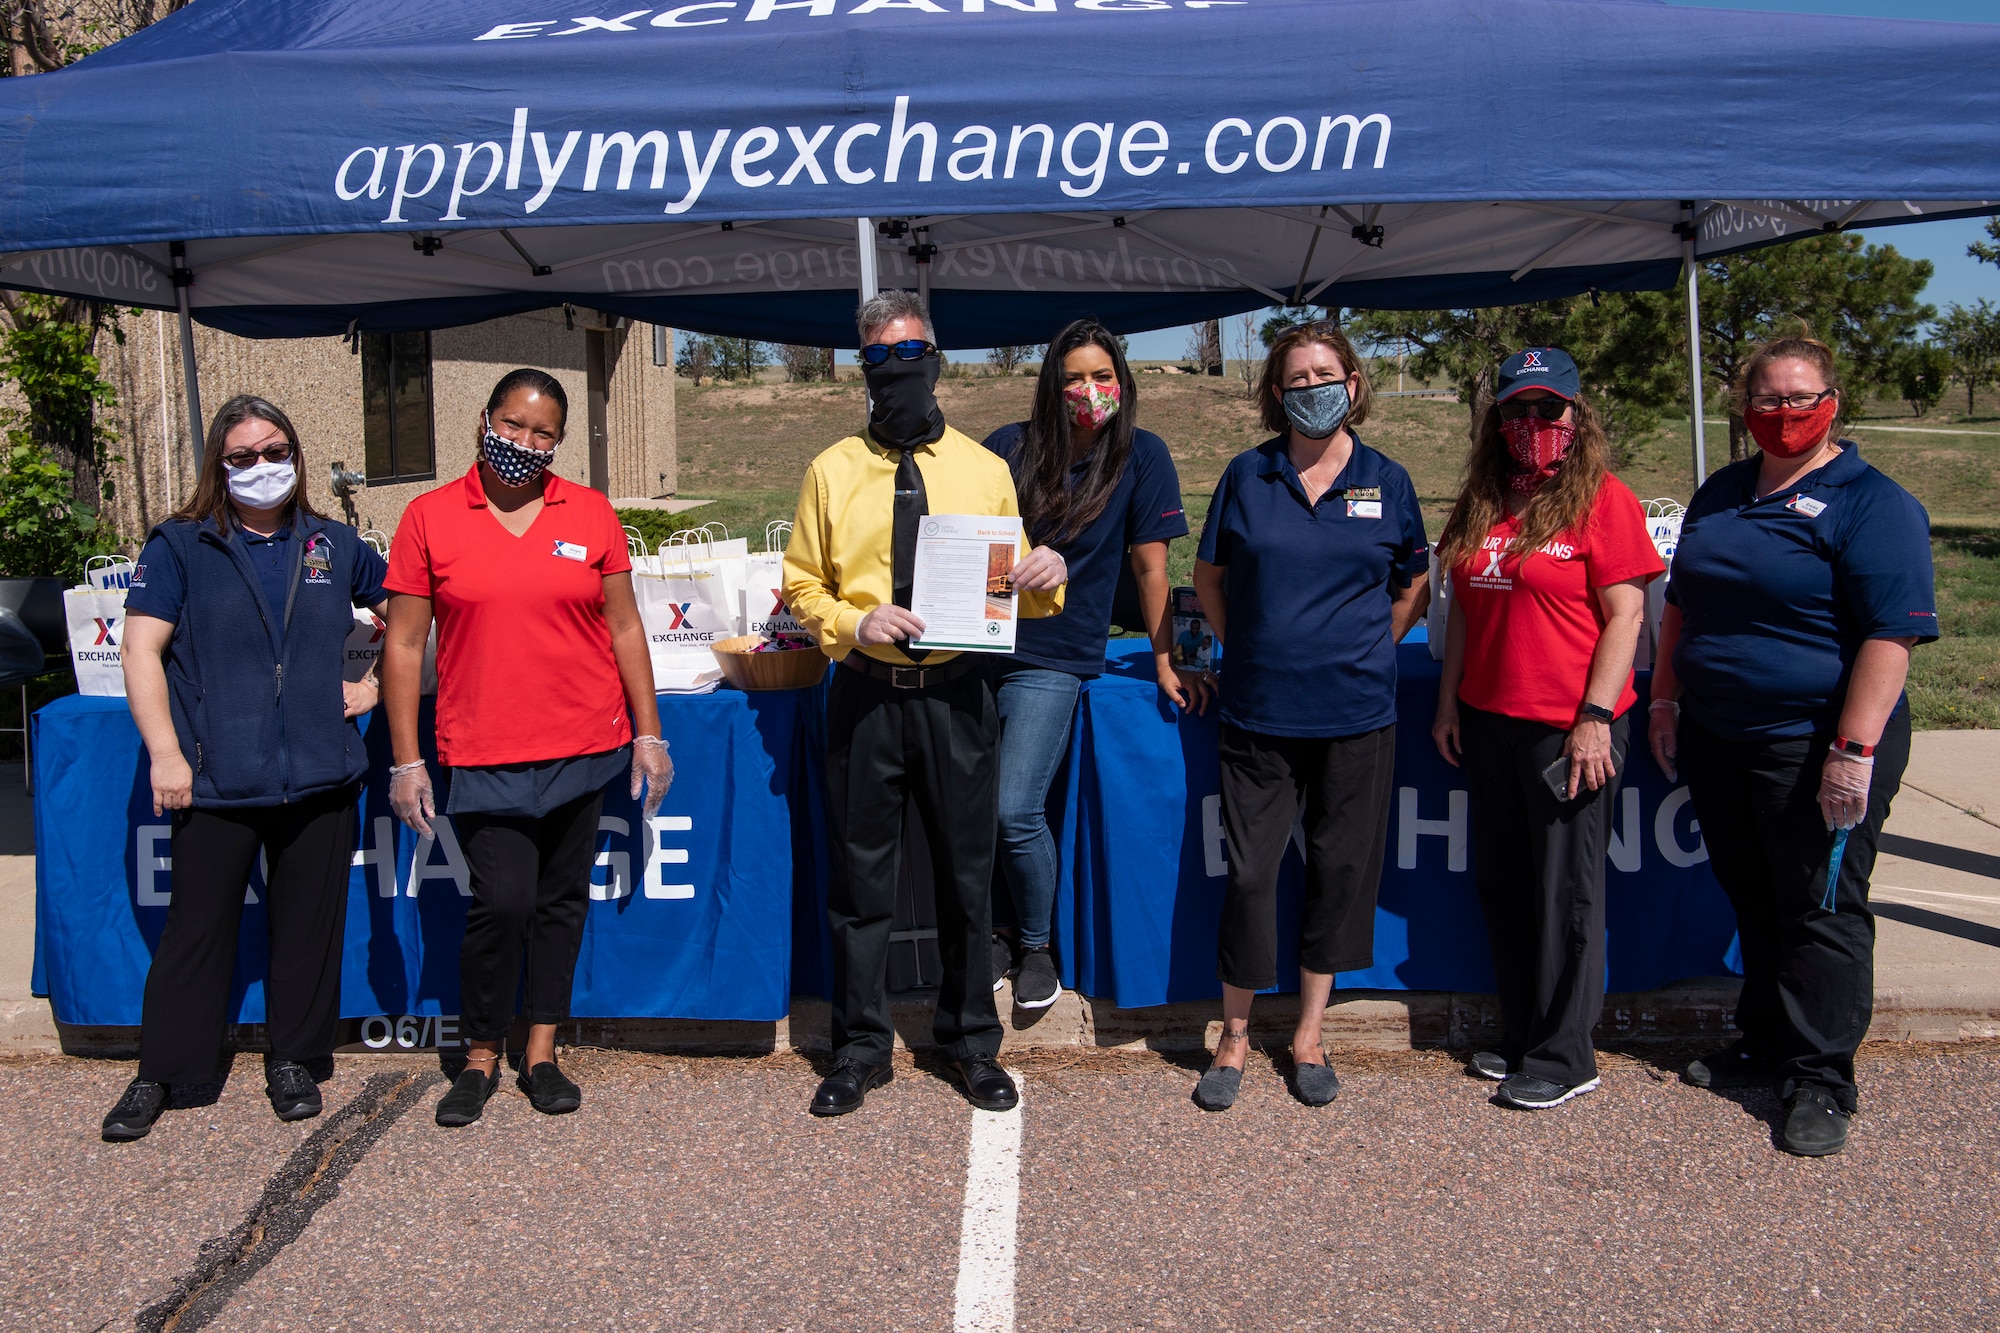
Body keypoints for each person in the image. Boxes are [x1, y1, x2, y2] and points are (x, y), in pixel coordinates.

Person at [1649, 334, 1936, 1157]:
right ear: (1745, 410)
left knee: (1820, 905)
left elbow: (1891, 635)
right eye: (1767, 399)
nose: (1784, 412)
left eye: (1800, 396)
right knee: (1755, 893)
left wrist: (1853, 748)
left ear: (1833, 401)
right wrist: (1667, 696)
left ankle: (1821, 1076)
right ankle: (1766, 1041)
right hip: (1718, 730)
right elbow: (1681, 606)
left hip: (1816, 739)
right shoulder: (1723, 491)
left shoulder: (1871, 501)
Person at [783, 289, 1067, 1117]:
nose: (897, 370)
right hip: (867, 695)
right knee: (860, 880)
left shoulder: (984, 469)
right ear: (861, 368)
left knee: (964, 878)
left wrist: (1044, 575)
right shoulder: (830, 471)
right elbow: (802, 585)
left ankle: (971, 1042)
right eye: (879, 357)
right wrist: (851, 619)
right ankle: (861, 1046)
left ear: (936, 358)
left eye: (912, 353)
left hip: (957, 696)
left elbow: (1011, 589)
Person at [380, 368, 673, 1128]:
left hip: (585, 743)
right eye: (513, 425)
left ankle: (540, 1052)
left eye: (543, 433)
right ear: (484, 419)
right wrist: (405, 758)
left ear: (560, 442)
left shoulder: (592, 511)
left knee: (558, 903)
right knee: (500, 902)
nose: (525, 443)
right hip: (482, 752)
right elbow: (405, 645)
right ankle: (479, 1054)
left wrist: (649, 732)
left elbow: (624, 628)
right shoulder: (430, 516)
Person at [101, 396, 389, 1142]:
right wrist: (167, 752)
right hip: (216, 776)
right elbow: (140, 652)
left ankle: (293, 1059)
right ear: (217, 465)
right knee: (196, 929)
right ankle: (161, 1070)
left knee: (306, 930)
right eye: (242, 456)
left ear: (295, 452)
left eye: (274, 450)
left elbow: (414, 612)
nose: (261, 467)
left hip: (321, 777)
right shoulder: (180, 544)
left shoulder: (334, 543)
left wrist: (377, 686)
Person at [1188, 322, 1429, 1111]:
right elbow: (1211, 582)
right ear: (1277, 392)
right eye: (1298, 379)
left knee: (1337, 873)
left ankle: (1309, 1035)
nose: (1314, 388)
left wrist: (1370, 647)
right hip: (1260, 712)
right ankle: (1232, 1036)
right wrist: (1253, 648)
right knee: (1253, 874)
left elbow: (1411, 584)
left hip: (1358, 714)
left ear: (1355, 383)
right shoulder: (1246, 476)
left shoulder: (1388, 481)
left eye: (1327, 374)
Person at [1431, 347, 1663, 1111]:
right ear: (1496, 418)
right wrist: (1449, 699)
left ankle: (1568, 1054)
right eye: (1517, 409)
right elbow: (1462, 605)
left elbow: (1627, 615)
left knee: (1566, 890)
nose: (1532, 423)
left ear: (1576, 414)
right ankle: (1525, 1028)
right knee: (1503, 883)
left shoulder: (1606, 499)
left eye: (1547, 408)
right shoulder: (1483, 498)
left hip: (1567, 729)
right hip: (1491, 719)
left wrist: (1596, 717)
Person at [981, 319, 1192, 1009]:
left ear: (1123, 384)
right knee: (971, 803)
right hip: (978, 646)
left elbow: (1151, 567)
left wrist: (1165, 657)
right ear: (1052, 382)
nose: (1088, 389)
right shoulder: (1008, 447)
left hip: (1058, 654)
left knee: (1016, 808)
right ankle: (994, 930)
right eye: (1073, 376)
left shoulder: (1142, 455)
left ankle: (1037, 943)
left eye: (1101, 376)